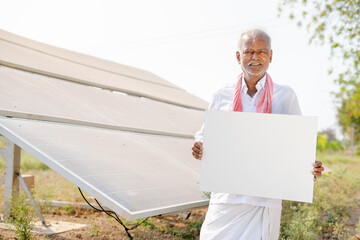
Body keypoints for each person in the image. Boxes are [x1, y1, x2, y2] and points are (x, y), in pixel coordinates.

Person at [191, 28, 324, 240]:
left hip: (264, 202)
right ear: (238, 56)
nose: (255, 57)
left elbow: (299, 146)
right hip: (225, 199)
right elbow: (205, 135)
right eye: (249, 52)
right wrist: (199, 146)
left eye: (261, 51)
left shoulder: (285, 96)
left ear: (271, 56)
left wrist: (309, 168)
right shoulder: (221, 94)